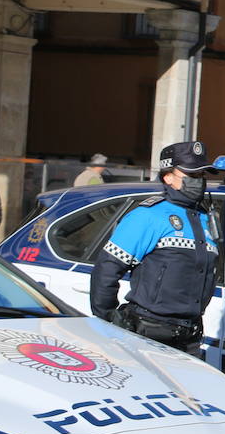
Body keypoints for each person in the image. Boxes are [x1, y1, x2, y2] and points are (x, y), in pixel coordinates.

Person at [90, 141, 218, 353]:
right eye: (192, 176)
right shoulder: (148, 216)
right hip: (149, 333)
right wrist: (109, 321)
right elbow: (107, 269)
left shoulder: (205, 218)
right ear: (168, 177)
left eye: (202, 176)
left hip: (190, 336)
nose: (199, 182)